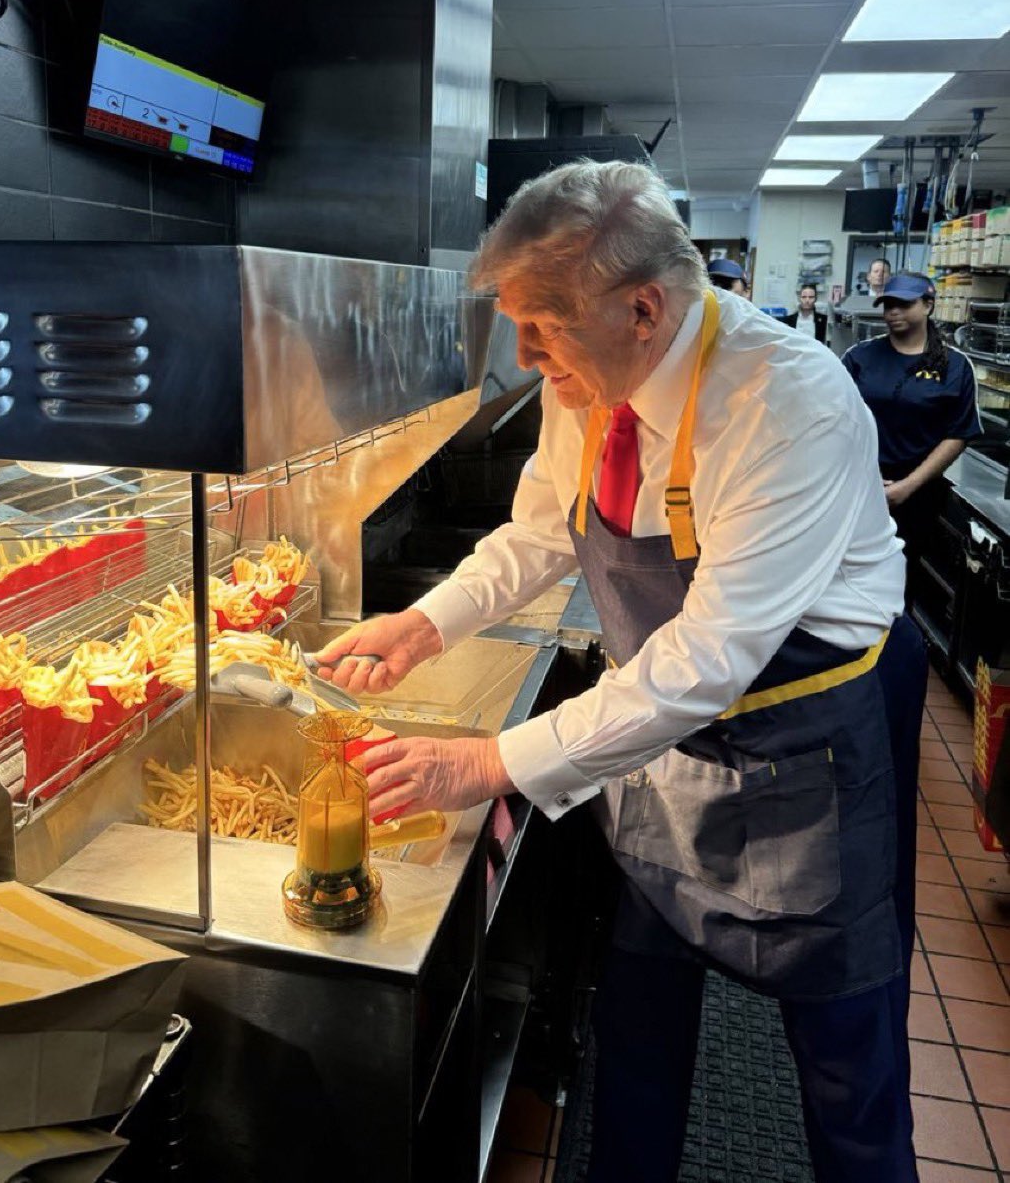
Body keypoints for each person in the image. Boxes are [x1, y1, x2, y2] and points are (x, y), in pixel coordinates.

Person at [319, 160, 927, 1183]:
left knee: (842, 1051)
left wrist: (488, 763)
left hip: (805, 738)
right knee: (635, 1014)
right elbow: (537, 535)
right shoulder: (585, 377)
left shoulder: (788, 401)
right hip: (657, 734)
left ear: (642, 307)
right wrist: (422, 625)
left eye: (540, 327)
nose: (521, 354)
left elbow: (705, 661)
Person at [842, 271, 982, 587]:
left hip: (918, 493)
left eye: (904, 304)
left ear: (928, 305)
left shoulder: (954, 365)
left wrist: (907, 486)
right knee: (849, 576)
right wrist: (860, 474)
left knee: (900, 579)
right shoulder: (860, 356)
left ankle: (896, 637)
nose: (893, 312)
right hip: (857, 485)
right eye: (888, 304)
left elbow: (958, 433)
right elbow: (834, 419)